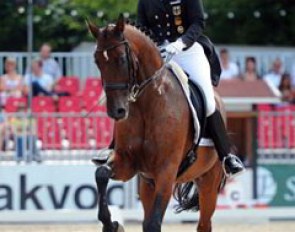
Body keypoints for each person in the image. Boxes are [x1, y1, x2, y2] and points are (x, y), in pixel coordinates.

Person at [92, 0, 244, 177]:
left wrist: (179, 44)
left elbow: (198, 23)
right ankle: (114, 148)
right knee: (133, 95)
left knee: (209, 101)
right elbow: (142, 29)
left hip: (188, 51)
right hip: (158, 53)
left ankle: (226, 156)